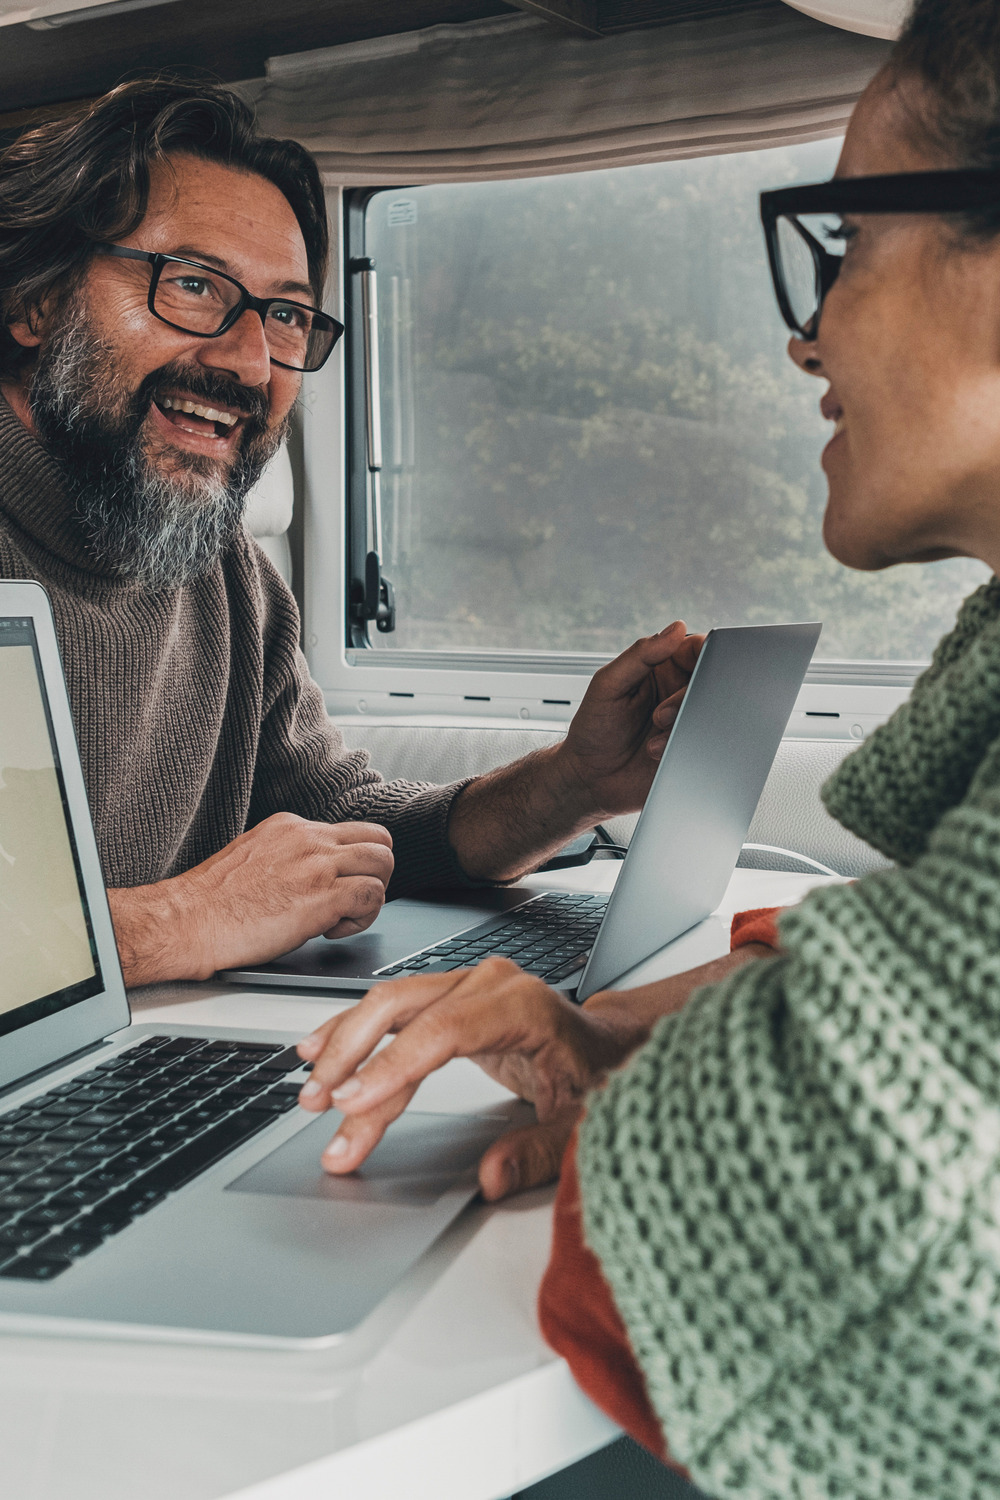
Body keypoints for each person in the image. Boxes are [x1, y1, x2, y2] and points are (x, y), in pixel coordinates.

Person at [296, 0, 1000, 1492]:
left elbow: (841, 1235)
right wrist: (617, 1033)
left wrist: (568, 814)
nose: (809, 330)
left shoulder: (222, 591)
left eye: (846, 246)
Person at [0, 79, 703, 988]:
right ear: (33, 302)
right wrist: (182, 920)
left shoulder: (226, 576)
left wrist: (575, 784)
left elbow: (352, 828)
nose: (250, 362)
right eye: (193, 286)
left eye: (285, 315)